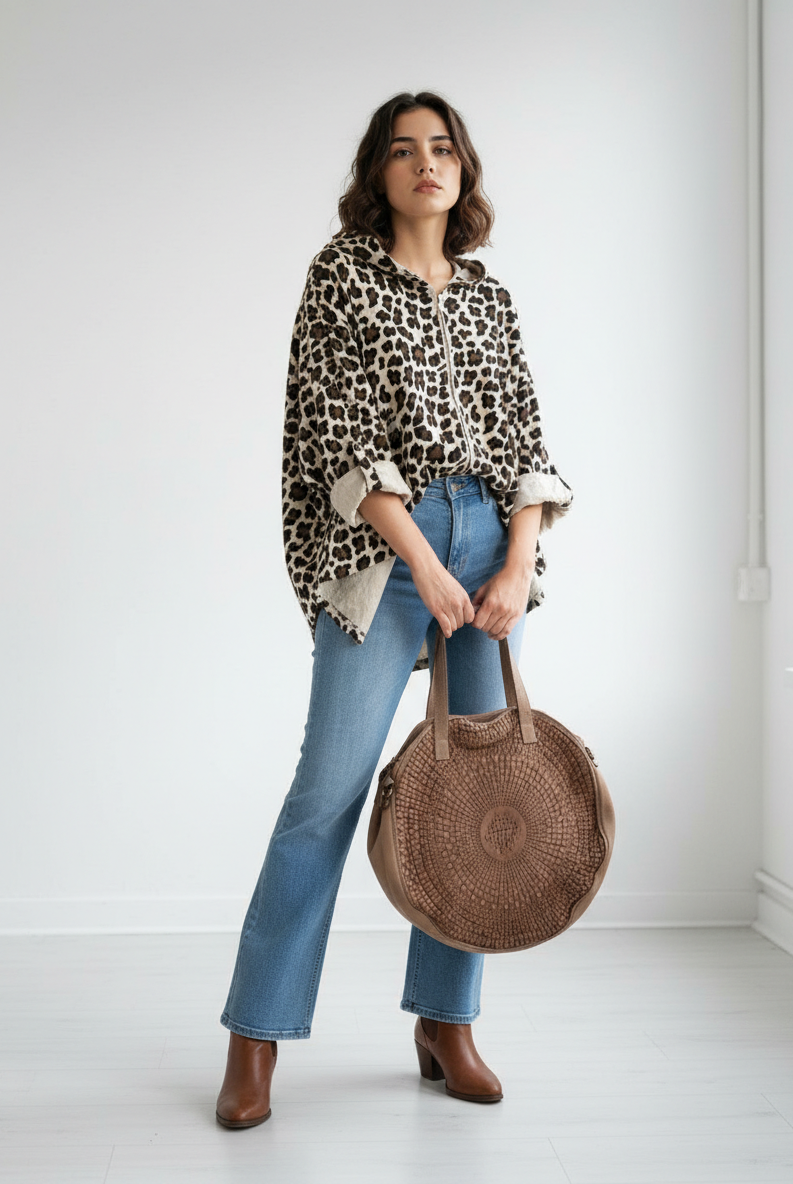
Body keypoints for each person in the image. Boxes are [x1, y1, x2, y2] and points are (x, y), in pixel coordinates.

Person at [215, 90, 573, 1129]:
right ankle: (255, 1033)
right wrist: (426, 560)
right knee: (326, 793)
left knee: (474, 797)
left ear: (463, 170)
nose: (427, 163)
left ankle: (445, 1023)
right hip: (389, 552)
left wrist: (514, 564)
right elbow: (338, 439)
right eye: (405, 150)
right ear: (378, 171)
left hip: (486, 548)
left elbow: (525, 441)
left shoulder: (488, 297)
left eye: (443, 148)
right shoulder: (341, 276)